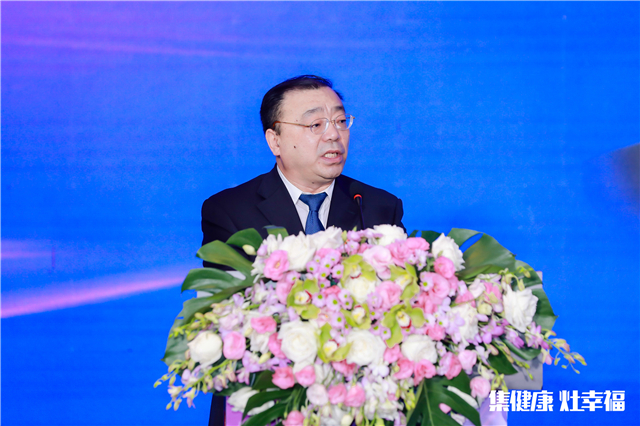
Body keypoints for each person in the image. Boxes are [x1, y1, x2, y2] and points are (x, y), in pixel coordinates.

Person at [201, 75, 405, 425]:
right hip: (266, 401)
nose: (333, 134)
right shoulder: (230, 211)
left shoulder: (377, 207)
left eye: (340, 120)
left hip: (357, 405)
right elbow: (227, 315)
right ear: (275, 140)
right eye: (315, 124)